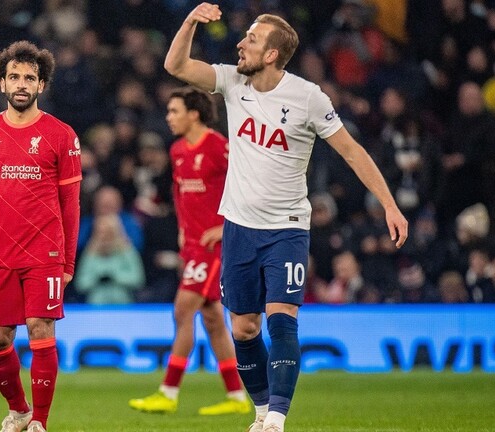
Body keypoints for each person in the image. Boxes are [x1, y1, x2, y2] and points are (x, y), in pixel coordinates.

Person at [164, 4, 409, 432]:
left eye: (252, 39)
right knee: (244, 329)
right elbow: (177, 66)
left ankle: (276, 418)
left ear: (273, 54)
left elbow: (352, 152)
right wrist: (189, 22)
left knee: (281, 319)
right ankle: (261, 411)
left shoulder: (308, 98)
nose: (241, 44)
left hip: (286, 228)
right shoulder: (233, 81)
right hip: (239, 227)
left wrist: (389, 204)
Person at [0, 41, 81, 432]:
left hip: (45, 252)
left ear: (41, 85)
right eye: (14, 77)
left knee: (41, 328)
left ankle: (40, 421)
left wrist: (68, 261)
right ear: (2, 83)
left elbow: (71, 204)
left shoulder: (61, 135)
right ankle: (20, 410)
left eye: (29, 78)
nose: (21, 84)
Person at [129, 87, 250, 416]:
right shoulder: (178, 150)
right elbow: (180, 194)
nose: (169, 117)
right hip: (193, 245)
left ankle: (168, 392)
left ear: (194, 114)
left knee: (183, 311)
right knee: (212, 319)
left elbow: (247, 186)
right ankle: (237, 397)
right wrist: (183, 232)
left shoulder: (219, 147)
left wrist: (226, 227)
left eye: (174, 111)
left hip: (216, 246)